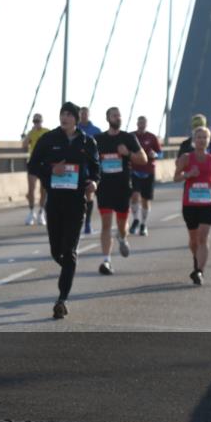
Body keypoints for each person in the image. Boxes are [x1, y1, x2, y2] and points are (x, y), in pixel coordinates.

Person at [30, 102, 100, 319]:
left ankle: (62, 299)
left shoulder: (87, 142)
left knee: (69, 252)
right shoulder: (49, 139)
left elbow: (96, 170)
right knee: (56, 251)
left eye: (69, 114)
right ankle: (70, 269)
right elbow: (33, 165)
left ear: (76, 119)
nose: (65, 117)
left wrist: (94, 183)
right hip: (55, 201)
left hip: (76, 202)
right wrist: (52, 169)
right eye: (62, 114)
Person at [93, 107, 147, 275]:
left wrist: (128, 153)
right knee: (106, 225)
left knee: (122, 226)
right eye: (114, 115)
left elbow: (143, 159)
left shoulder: (128, 138)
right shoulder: (98, 139)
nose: (118, 117)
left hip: (123, 187)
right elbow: (89, 160)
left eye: (119, 115)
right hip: (104, 188)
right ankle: (106, 261)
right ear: (108, 118)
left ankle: (122, 238)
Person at [174, 126, 211, 286]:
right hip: (190, 204)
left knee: (203, 237)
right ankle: (196, 259)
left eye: (205, 137)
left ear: (209, 141)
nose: (201, 140)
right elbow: (176, 177)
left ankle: (199, 271)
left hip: (207, 203)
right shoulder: (186, 158)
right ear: (193, 140)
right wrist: (188, 175)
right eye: (199, 137)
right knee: (193, 240)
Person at [130, 115, 162, 236]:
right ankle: (135, 219)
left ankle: (143, 224)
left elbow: (160, 153)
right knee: (134, 195)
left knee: (145, 199)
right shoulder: (132, 136)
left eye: (143, 122)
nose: (141, 124)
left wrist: (155, 155)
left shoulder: (152, 137)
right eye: (140, 122)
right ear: (137, 123)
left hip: (148, 171)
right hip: (134, 171)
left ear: (146, 124)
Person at [78, 107, 102, 235]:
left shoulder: (96, 131)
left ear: (89, 115)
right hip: (76, 168)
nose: (83, 116)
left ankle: (87, 223)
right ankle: (77, 222)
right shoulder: (73, 130)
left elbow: (102, 148)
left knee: (89, 195)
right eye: (81, 114)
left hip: (90, 168)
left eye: (85, 114)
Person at [22, 113, 50, 226]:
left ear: (42, 121)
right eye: (34, 121)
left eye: (38, 121)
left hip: (44, 163)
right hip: (33, 162)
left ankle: (41, 212)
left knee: (43, 190)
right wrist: (28, 134)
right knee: (31, 189)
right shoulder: (31, 133)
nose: (36, 123)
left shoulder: (47, 132)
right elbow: (24, 145)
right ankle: (31, 212)